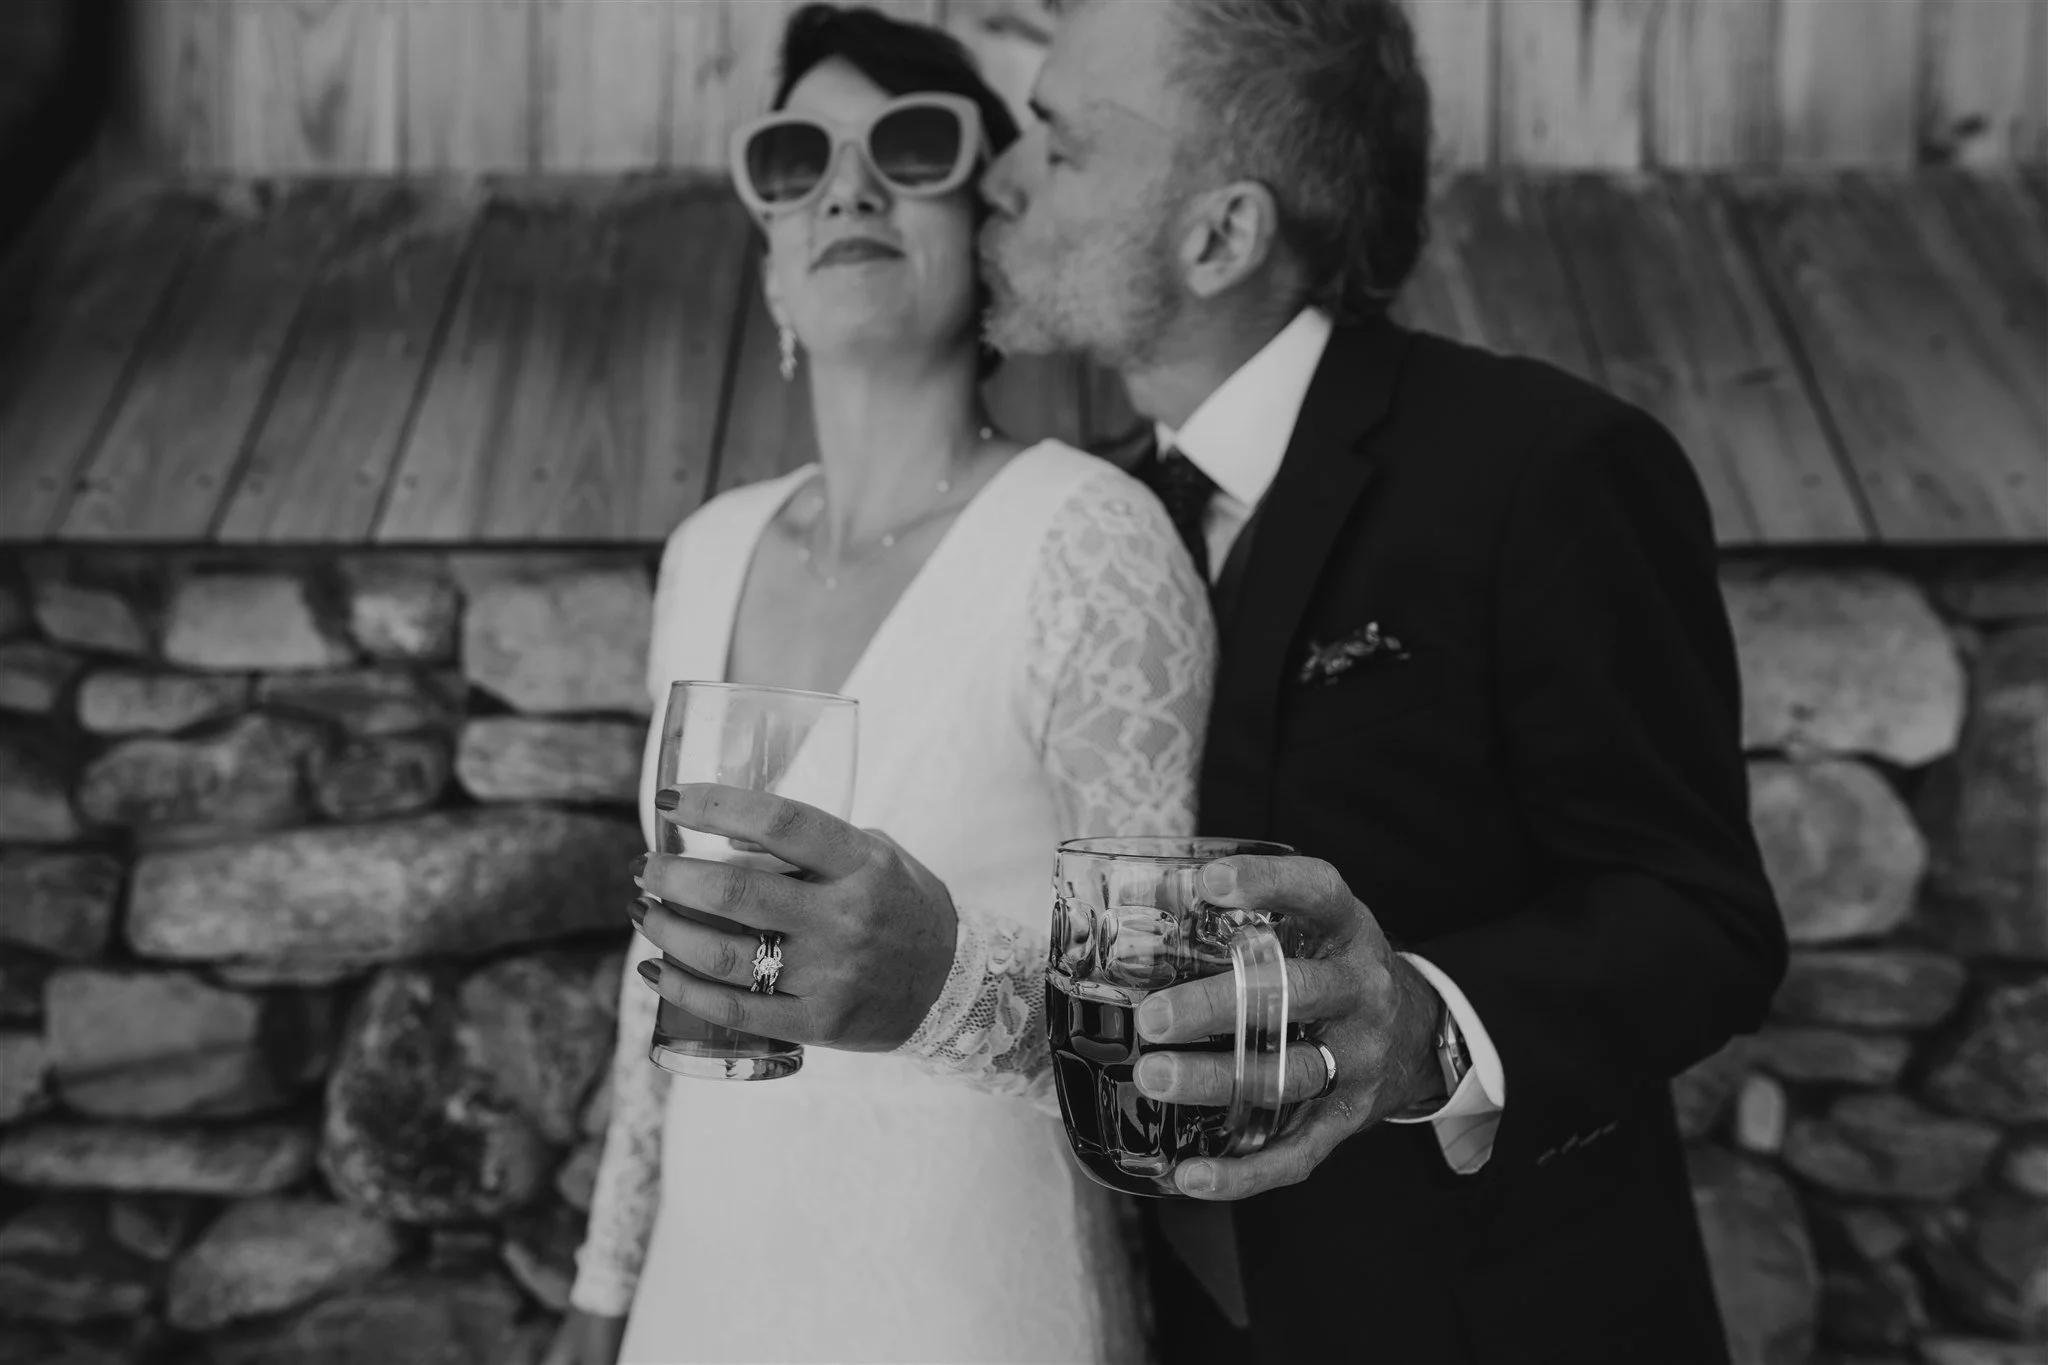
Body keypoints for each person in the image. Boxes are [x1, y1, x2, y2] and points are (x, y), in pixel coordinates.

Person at [633, 1, 1789, 1362]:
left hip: (1489, 1321)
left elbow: (1699, 914)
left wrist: (1422, 1026)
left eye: (1060, 144)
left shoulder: (1537, 467)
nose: (1001, 179)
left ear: (1219, 235)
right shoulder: (1095, 519)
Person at [546, 7, 1215, 1364]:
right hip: (703, 1294)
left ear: (987, 228)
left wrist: (934, 984)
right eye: (796, 162)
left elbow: (1155, 1042)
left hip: (971, 1300)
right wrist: (603, 1289)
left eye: (910, 150)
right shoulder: (708, 552)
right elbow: (661, 960)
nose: (846, 189)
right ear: (773, 266)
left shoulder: (1089, 542)